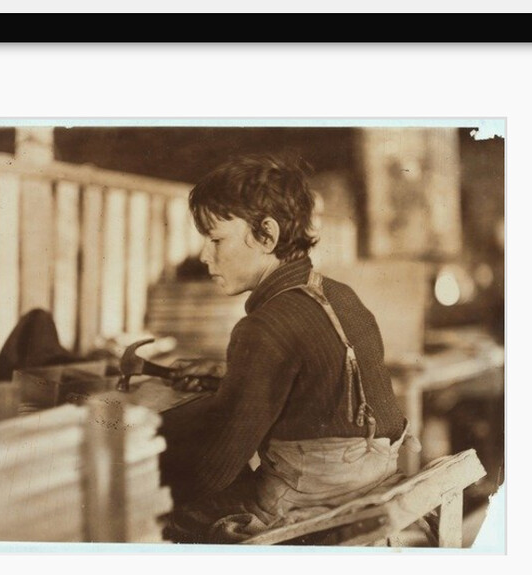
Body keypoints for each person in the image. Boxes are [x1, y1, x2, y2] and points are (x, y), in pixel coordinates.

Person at [159, 154, 419, 544]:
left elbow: (217, 469)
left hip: (307, 505)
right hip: (372, 481)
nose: (204, 256)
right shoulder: (340, 294)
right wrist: (231, 376)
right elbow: (320, 383)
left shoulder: (263, 327)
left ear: (267, 234)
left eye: (215, 239)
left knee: (168, 509)